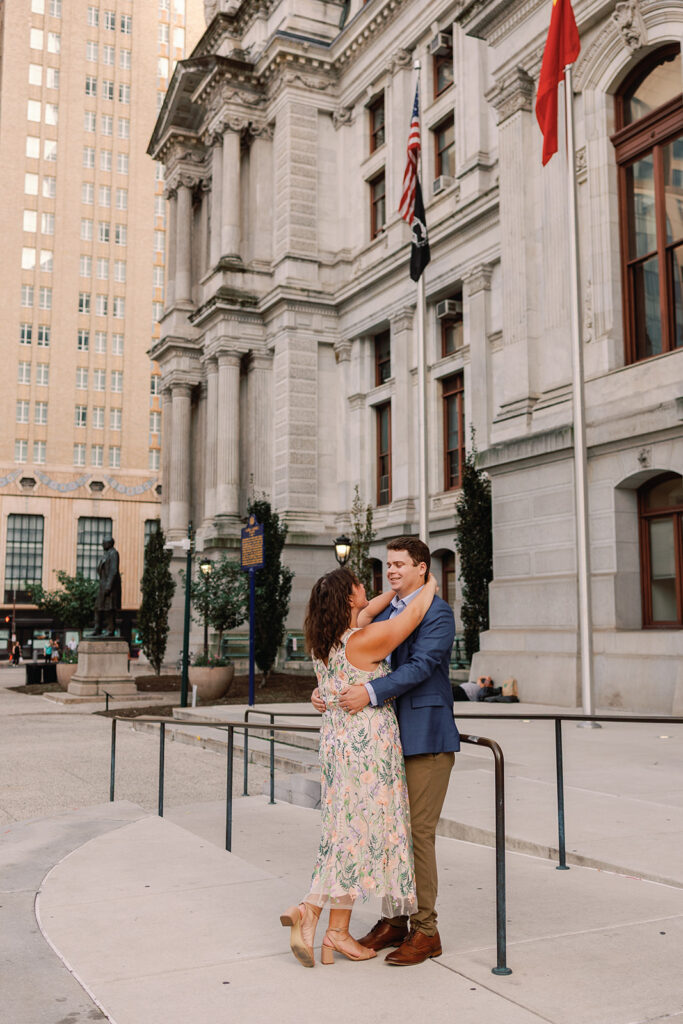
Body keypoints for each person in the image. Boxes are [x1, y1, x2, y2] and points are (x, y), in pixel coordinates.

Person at [312, 536, 460, 966]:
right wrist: (325, 691)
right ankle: (394, 921)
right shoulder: (388, 610)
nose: (391, 571)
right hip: (385, 742)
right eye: (388, 565)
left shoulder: (437, 612)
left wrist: (371, 692)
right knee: (388, 832)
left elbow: (420, 667)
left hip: (425, 737)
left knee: (415, 833)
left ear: (421, 568)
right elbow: (349, 657)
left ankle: (426, 930)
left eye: (400, 564)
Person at [281, 566, 438, 968]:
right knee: (358, 833)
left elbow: (373, 609)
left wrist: (390, 591)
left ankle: (328, 925)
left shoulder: (328, 642)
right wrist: (427, 581)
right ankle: (312, 909)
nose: (366, 587)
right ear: (349, 598)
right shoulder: (366, 641)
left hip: (337, 747)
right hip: (368, 749)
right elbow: (411, 618)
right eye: (358, 585)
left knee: (346, 831)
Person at [94, 537, 122, 636]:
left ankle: (110, 630)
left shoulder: (113, 553)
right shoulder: (105, 555)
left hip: (110, 586)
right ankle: (97, 629)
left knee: (109, 608)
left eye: (104, 543)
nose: (102, 544)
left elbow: (113, 571)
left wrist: (108, 586)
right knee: (98, 607)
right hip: (103, 585)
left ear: (109, 544)